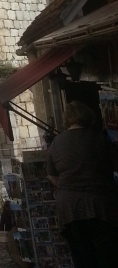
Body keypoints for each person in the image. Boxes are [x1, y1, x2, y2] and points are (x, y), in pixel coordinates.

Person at [46, 100, 118, 268]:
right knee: (107, 255)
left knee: (82, 256)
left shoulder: (57, 143)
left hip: (70, 209)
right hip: (101, 206)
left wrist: (69, 186)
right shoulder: (100, 140)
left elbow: (52, 175)